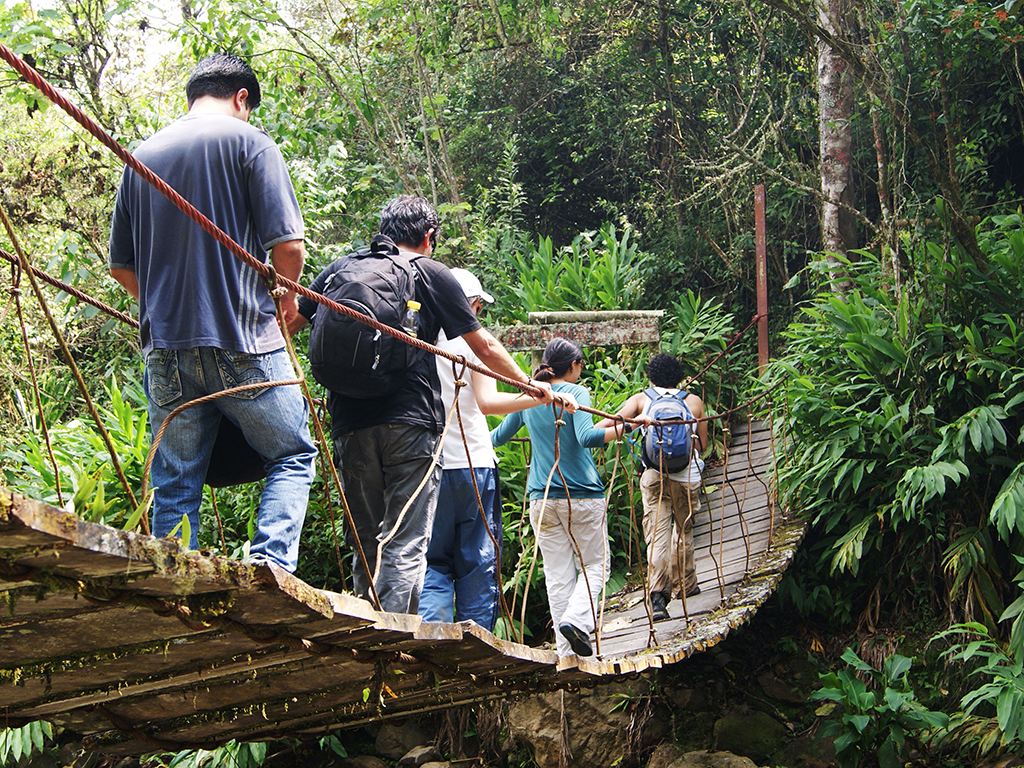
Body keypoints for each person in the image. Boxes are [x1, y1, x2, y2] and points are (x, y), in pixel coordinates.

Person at [290, 196, 560, 615]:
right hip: (412, 426)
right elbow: (484, 347)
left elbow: (288, 322)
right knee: (405, 540)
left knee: (366, 538)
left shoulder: (340, 268)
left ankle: (367, 625)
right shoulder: (431, 273)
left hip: (348, 424)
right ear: (429, 237)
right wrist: (530, 385)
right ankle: (391, 636)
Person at [108, 53, 317, 573]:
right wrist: (285, 303)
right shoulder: (250, 142)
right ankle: (272, 570)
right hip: (243, 338)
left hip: (166, 351)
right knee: (292, 454)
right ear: (242, 98)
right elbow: (289, 247)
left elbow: (121, 268)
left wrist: (168, 308)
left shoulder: (141, 155)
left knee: (177, 480)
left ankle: (174, 587)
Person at [419, 269, 554, 630]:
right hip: (473, 465)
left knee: (431, 560)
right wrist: (538, 396)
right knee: (477, 559)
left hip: (427, 468)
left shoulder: (418, 340)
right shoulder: (469, 342)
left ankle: (432, 634)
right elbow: (488, 403)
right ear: (471, 305)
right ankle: (475, 637)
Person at [490, 337, 632, 657]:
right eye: (581, 365)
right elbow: (586, 438)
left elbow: (497, 437)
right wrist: (625, 426)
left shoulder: (529, 395)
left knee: (558, 577)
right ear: (573, 365)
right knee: (597, 565)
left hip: (541, 500)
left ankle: (568, 655)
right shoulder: (576, 392)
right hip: (580, 495)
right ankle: (576, 621)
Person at [598, 353, 706, 621]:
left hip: (654, 475)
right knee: (683, 529)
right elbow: (702, 445)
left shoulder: (641, 399)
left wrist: (585, 431)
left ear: (651, 377)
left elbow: (610, 423)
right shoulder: (694, 401)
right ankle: (686, 584)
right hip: (686, 475)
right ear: (679, 377)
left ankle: (658, 598)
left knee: (657, 535)